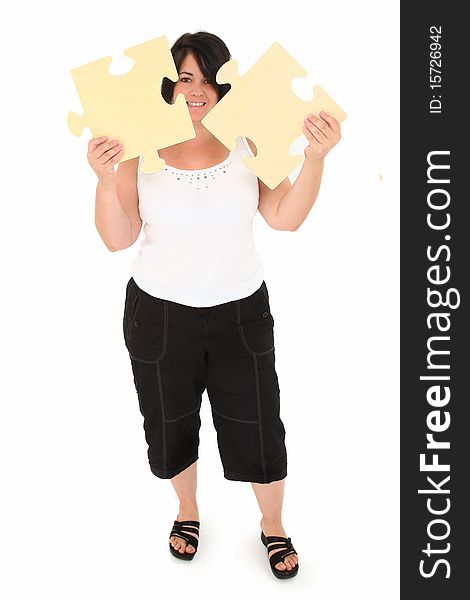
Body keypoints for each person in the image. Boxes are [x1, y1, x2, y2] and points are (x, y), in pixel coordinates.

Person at [88, 31, 341, 579]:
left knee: (258, 426)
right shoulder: (140, 148)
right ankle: (187, 509)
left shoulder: (250, 143)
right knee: (170, 423)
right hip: (158, 315)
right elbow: (117, 237)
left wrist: (315, 160)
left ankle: (273, 525)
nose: (196, 90)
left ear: (226, 85)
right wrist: (105, 180)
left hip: (239, 315)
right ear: (170, 84)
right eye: (185, 77)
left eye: (207, 78)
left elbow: (283, 216)